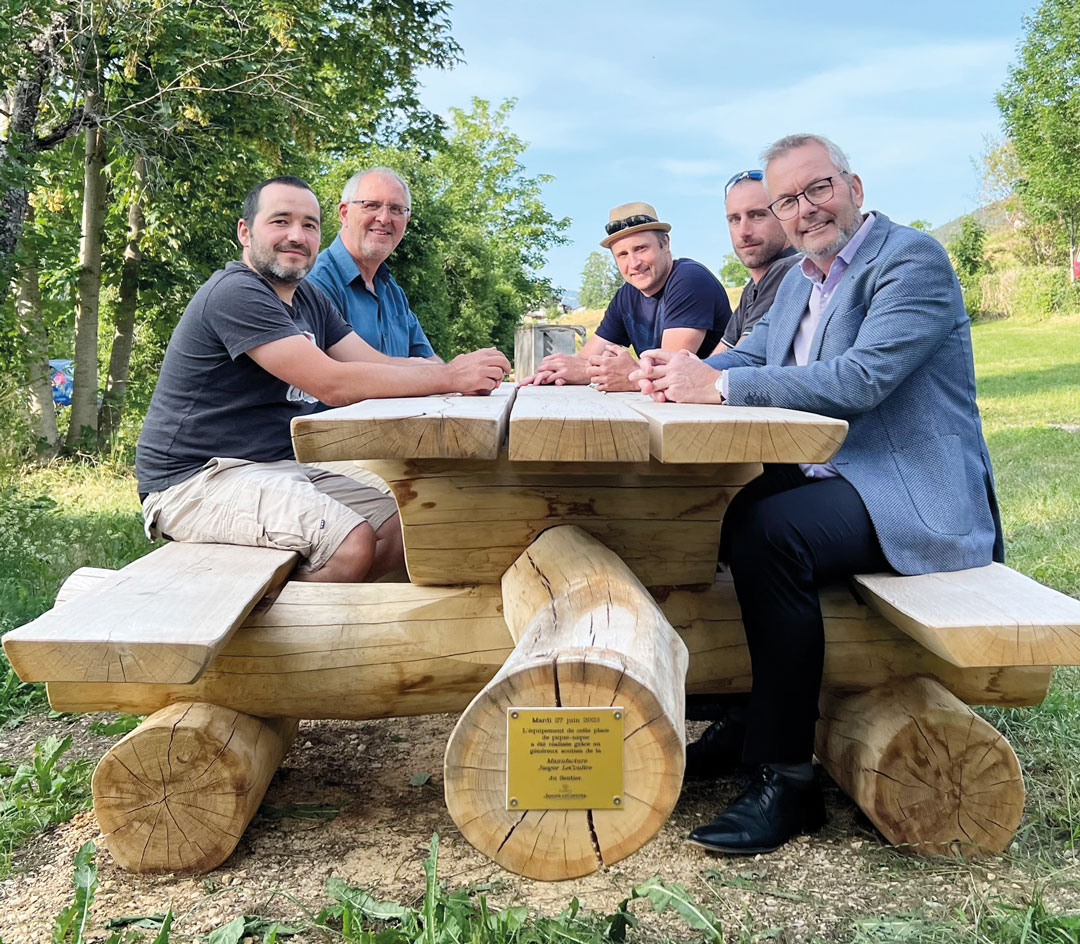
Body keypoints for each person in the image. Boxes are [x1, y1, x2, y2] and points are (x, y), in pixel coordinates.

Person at [631, 134, 1003, 855]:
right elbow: (748, 353)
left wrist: (722, 387)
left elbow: (861, 379)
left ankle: (788, 779)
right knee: (740, 511)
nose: (804, 211)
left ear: (854, 186)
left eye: (817, 190)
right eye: (787, 201)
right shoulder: (802, 277)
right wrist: (667, 367)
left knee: (775, 533)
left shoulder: (910, 260)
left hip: (913, 491)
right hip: (833, 476)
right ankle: (751, 715)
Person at [136, 176, 509, 583]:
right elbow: (334, 384)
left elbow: (377, 363)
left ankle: (316, 613)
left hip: (274, 467)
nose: (297, 236)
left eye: (309, 225)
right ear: (245, 232)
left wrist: (453, 373)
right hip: (196, 480)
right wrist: (449, 376)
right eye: (281, 222)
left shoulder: (309, 298)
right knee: (352, 544)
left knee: (402, 531)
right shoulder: (236, 293)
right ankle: (253, 639)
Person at [520, 202, 730, 391]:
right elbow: (586, 358)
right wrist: (558, 371)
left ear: (665, 243)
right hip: (670, 410)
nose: (634, 263)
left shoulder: (690, 279)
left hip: (716, 410)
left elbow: (670, 368)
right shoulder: (627, 296)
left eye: (641, 248)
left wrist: (588, 371)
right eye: (622, 255)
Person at [307, 167, 439, 360]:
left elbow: (430, 362)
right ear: (344, 214)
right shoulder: (315, 283)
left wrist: (466, 375)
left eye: (396, 209)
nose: (384, 218)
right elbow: (340, 377)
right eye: (371, 205)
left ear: (406, 221)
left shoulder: (393, 292)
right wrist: (449, 375)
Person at [713, 169, 801, 353]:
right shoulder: (753, 287)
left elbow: (738, 361)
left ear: (784, 215)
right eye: (734, 219)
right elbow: (720, 356)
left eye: (757, 215)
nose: (743, 231)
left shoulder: (791, 268)